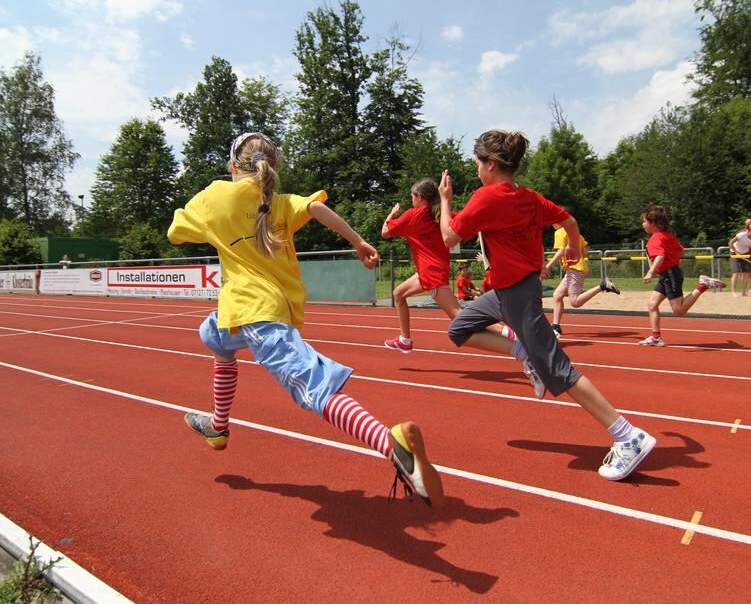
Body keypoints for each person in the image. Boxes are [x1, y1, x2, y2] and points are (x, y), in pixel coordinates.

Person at [168, 132, 444, 508]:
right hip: (250, 311)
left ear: (234, 166)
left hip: (257, 315)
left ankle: (388, 442)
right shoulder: (279, 202)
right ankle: (218, 426)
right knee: (213, 336)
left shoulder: (214, 196)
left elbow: (174, 233)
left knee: (315, 389)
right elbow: (316, 208)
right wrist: (358, 241)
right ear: (273, 167)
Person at [438, 130, 655, 481]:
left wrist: (445, 200)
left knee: (559, 370)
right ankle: (523, 354)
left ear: (490, 164)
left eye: (477, 163)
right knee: (460, 327)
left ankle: (627, 435)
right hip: (504, 293)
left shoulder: (487, 197)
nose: (476, 169)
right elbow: (569, 220)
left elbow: (449, 237)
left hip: (520, 296)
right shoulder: (530, 198)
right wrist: (572, 247)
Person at [381, 179, 462, 353]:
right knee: (399, 294)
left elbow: (385, 232)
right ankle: (404, 340)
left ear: (419, 197)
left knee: (459, 316)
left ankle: (508, 332)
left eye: (412, 197)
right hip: (429, 271)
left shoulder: (412, 215)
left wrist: (392, 215)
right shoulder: (442, 213)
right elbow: (466, 221)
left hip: (432, 275)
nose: (411, 200)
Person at [640, 205, 726, 346]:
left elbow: (660, 256)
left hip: (670, 275)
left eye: (644, 221)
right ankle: (656, 337)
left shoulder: (655, 239)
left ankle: (702, 285)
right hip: (669, 274)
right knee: (652, 304)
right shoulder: (668, 236)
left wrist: (650, 272)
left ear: (653, 223)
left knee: (679, 310)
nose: (643, 224)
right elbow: (681, 251)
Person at [540, 222, 620, 338]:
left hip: (574, 269)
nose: (551, 223)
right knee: (557, 295)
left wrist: (547, 267)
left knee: (575, 302)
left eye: (553, 220)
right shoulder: (575, 233)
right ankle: (556, 326)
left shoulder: (560, 232)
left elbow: (560, 252)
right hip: (577, 268)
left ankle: (602, 286)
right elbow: (585, 252)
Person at [727, 219, 751, 297]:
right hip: (734, 252)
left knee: (746, 273)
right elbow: (730, 243)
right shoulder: (742, 235)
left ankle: (743, 292)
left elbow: (750, 245)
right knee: (736, 272)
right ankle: (733, 292)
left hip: (745, 253)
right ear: (749, 228)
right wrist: (736, 252)